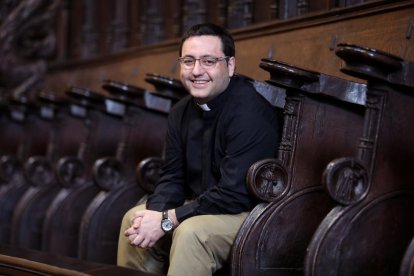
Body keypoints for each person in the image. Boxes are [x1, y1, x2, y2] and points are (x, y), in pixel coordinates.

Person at [117, 23, 281, 276]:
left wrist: (167, 219)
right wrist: (153, 215)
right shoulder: (180, 111)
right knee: (134, 219)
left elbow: (234, 194)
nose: (196, 71)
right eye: (188, 61)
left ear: (230, 65)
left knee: (191, 233)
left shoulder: (249, 112)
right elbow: (172, 176)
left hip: (247, 213)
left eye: (208, 61)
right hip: (202, 204)